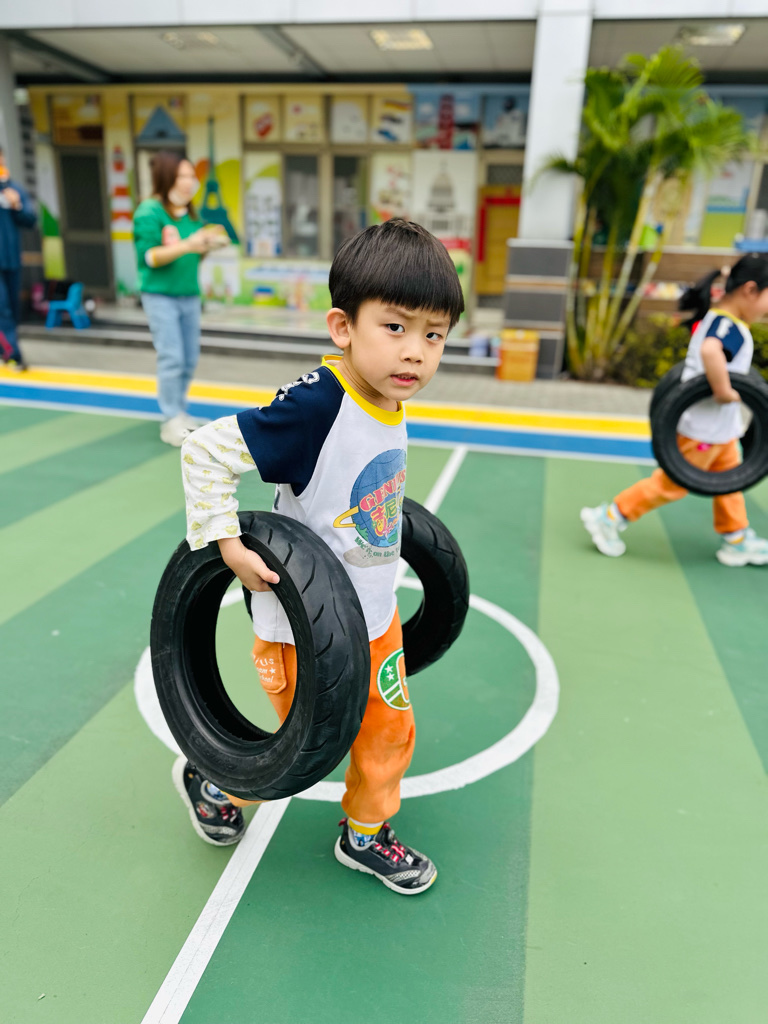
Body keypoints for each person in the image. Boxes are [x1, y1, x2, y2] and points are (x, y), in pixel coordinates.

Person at [174, 219, 464, 894]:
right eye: (395, 327)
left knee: (389, 729)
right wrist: (227, 544)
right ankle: (214, 778)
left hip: (376, 616)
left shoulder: (390, 393)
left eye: (434, 335)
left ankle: (365, 833)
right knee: (297, 746)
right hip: (302, 625)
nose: (415, 351)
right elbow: (205, 452)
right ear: (343, 328)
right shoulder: (316, 406)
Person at [581, 253, 768, 568]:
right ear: (750, 290)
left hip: (720, 430)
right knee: (672, 485)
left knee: (731, 481)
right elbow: (711, 351)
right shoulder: (727, 326)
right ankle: (610, 516)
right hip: (703, 431)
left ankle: (736, 538)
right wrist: (724, 391)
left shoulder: (722, 320)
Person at [133, 151, 225, 447]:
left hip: (189, 294)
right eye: (182, 176)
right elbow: (150, 257)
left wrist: (208, 244)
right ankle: (171, 418)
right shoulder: (149, 211)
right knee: (171, 357)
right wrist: (189, 244)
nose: (189, 182)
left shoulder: (191, 214)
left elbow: (192, 254)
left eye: (191, 176)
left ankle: (180, 413)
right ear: (166, 177)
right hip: (160, 295)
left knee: (188, 358)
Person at [0, 148, 37, 371]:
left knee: (13, 309)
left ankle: (5, 349)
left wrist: (17, 205)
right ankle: (13, 353)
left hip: (12, 259)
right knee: (2, 308)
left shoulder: (14, 190)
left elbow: (31, 220)